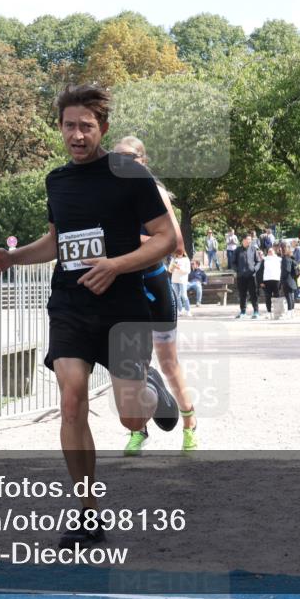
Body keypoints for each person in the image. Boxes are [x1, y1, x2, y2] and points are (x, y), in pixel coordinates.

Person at [0, 85, 179, 548]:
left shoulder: (129, 174)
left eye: (86, 126)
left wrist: (115, 265)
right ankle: (88, 515)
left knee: (132, 420)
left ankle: (151, 390)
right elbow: (56, 240)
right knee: (71, 401)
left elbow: (165, 238)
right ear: (60, 128)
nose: (77, 134)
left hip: (123, 305)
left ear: (103, 129)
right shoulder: (57, 181)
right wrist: (13, 259)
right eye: (70, 125)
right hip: (71, 305)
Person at [113, 135, 197, 454]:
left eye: (129, 157)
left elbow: (174, 240)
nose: (121, 163)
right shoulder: (110, 196)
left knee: (168, 362)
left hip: (154, 284)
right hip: (126, 289)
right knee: (133, 365)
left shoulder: (155, 192)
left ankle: (189, 422)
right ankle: (139, 429)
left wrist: (124, 238)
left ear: (142, 161)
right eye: (116, 158)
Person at [232, 234, 261, 319]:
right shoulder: (237, 250)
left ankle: (256, 312)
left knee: (253, 294)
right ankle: (243, 312)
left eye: (250, 240)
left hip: (251, 276)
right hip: (241, 276)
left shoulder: (253, 249)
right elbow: (233, 263)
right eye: (248, 239)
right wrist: (237, 270)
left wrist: (254, 269)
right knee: (242, 294)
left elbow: (258, 261)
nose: (250, 241)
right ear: (243, 240)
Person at [168, 249, 192, 317]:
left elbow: (188, 271)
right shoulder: (174, 259)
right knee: (176, 296)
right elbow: (169, 270)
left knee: (184, 296)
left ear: (183, 252)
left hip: (183, 280)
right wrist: (172, 268)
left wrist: (179, 268)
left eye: (180, 252)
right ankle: (180, 310)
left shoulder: (186, 259)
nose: (178, 253)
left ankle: (188, 310)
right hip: (175, 280)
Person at [279, 242, 299, 319]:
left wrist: (282, 278)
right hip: (292, 280)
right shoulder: (290, 257)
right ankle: (292, 313)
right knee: (291, 297)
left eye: (281, 248)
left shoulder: (285, 258)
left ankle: (289, 312)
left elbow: (287, 270)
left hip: (287, 280)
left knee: (289, 297)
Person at [260, 244, 282, 319]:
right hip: (266, 280)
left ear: (274, 252)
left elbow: (282, 270)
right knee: (267, 297)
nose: (270, 252)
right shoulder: (264, 260)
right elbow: (260, 271)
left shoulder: (279, 259)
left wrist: (281, 281)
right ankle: (268, 312)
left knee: (277, 296)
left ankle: (277, 312)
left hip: (276, 280)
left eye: (271, 251)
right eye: (269, 251)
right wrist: (261, 282)